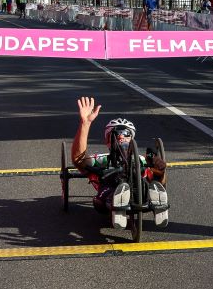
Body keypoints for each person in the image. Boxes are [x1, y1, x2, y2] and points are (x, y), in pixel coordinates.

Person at [71, 96, 168, 230]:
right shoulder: (103, 158)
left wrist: (159, 169)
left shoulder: (141, 159)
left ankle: (157, 200)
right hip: (109, 188)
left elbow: (161, 179)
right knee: (100, 200)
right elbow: (79, 160)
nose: (121, 137)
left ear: (132, 138)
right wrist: (85, 123)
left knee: (153, 181)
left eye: (126, 134)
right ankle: (117, 200)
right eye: (117, 134)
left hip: (140, 190)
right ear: (108, 140)